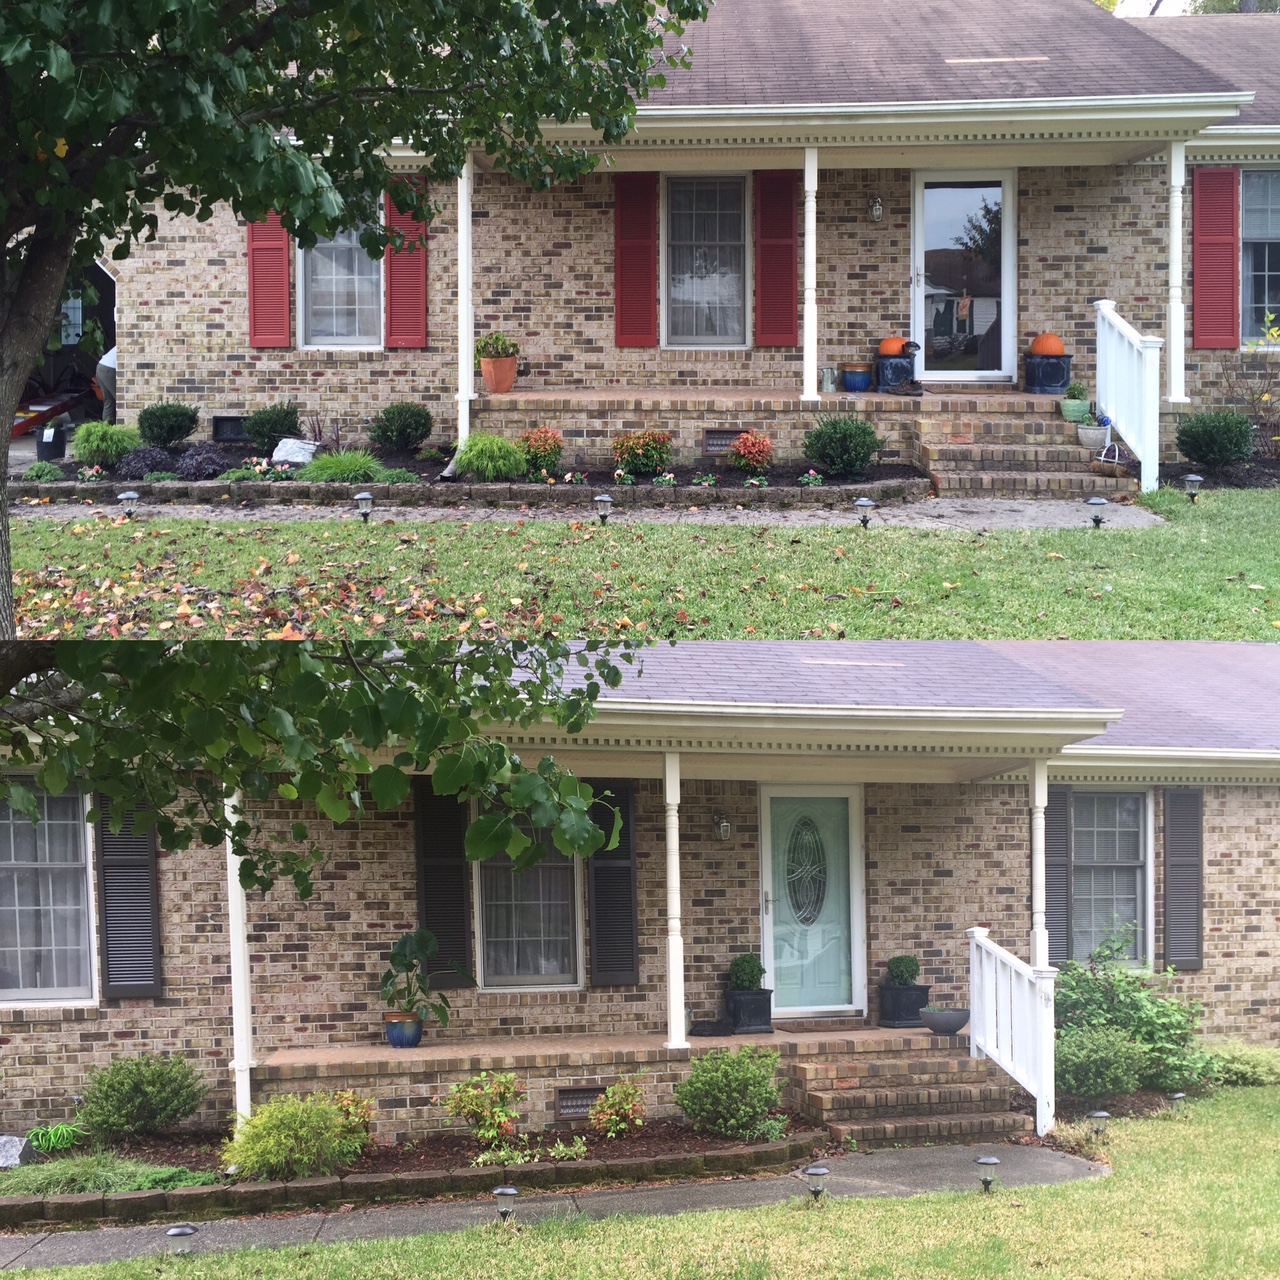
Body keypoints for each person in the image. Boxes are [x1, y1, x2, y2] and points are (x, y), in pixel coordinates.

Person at [95, 345, 117, 424]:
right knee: (122, 400)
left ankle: (107, 431)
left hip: (101, 366)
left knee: (109, 402)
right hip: (110, 369)